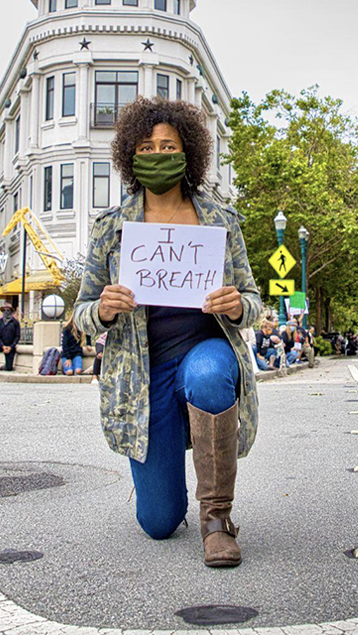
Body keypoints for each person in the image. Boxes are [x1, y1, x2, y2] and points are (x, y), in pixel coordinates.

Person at [72, 96, 263, 568]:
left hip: (205, 352)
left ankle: (217, 519)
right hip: (142, 376)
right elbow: (79, 313)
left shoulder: (220, 220)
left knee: (209, 376)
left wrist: (238, 306)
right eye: (147, 147)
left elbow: (255, 302)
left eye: (168, 145)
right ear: (130, 157)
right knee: (157, 522)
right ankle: (173, 480)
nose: (158, 154)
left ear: (188, 154)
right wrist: (104, 309)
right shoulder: (110, 229)